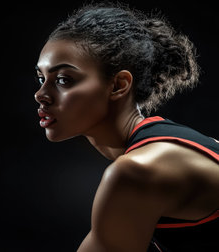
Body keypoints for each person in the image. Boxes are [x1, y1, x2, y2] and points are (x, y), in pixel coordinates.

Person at [34, 2, 219, 251]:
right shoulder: (176, 145)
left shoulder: (136, 172)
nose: (41, 94)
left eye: (64, 79)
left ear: (119, 85)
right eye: (41, 78)